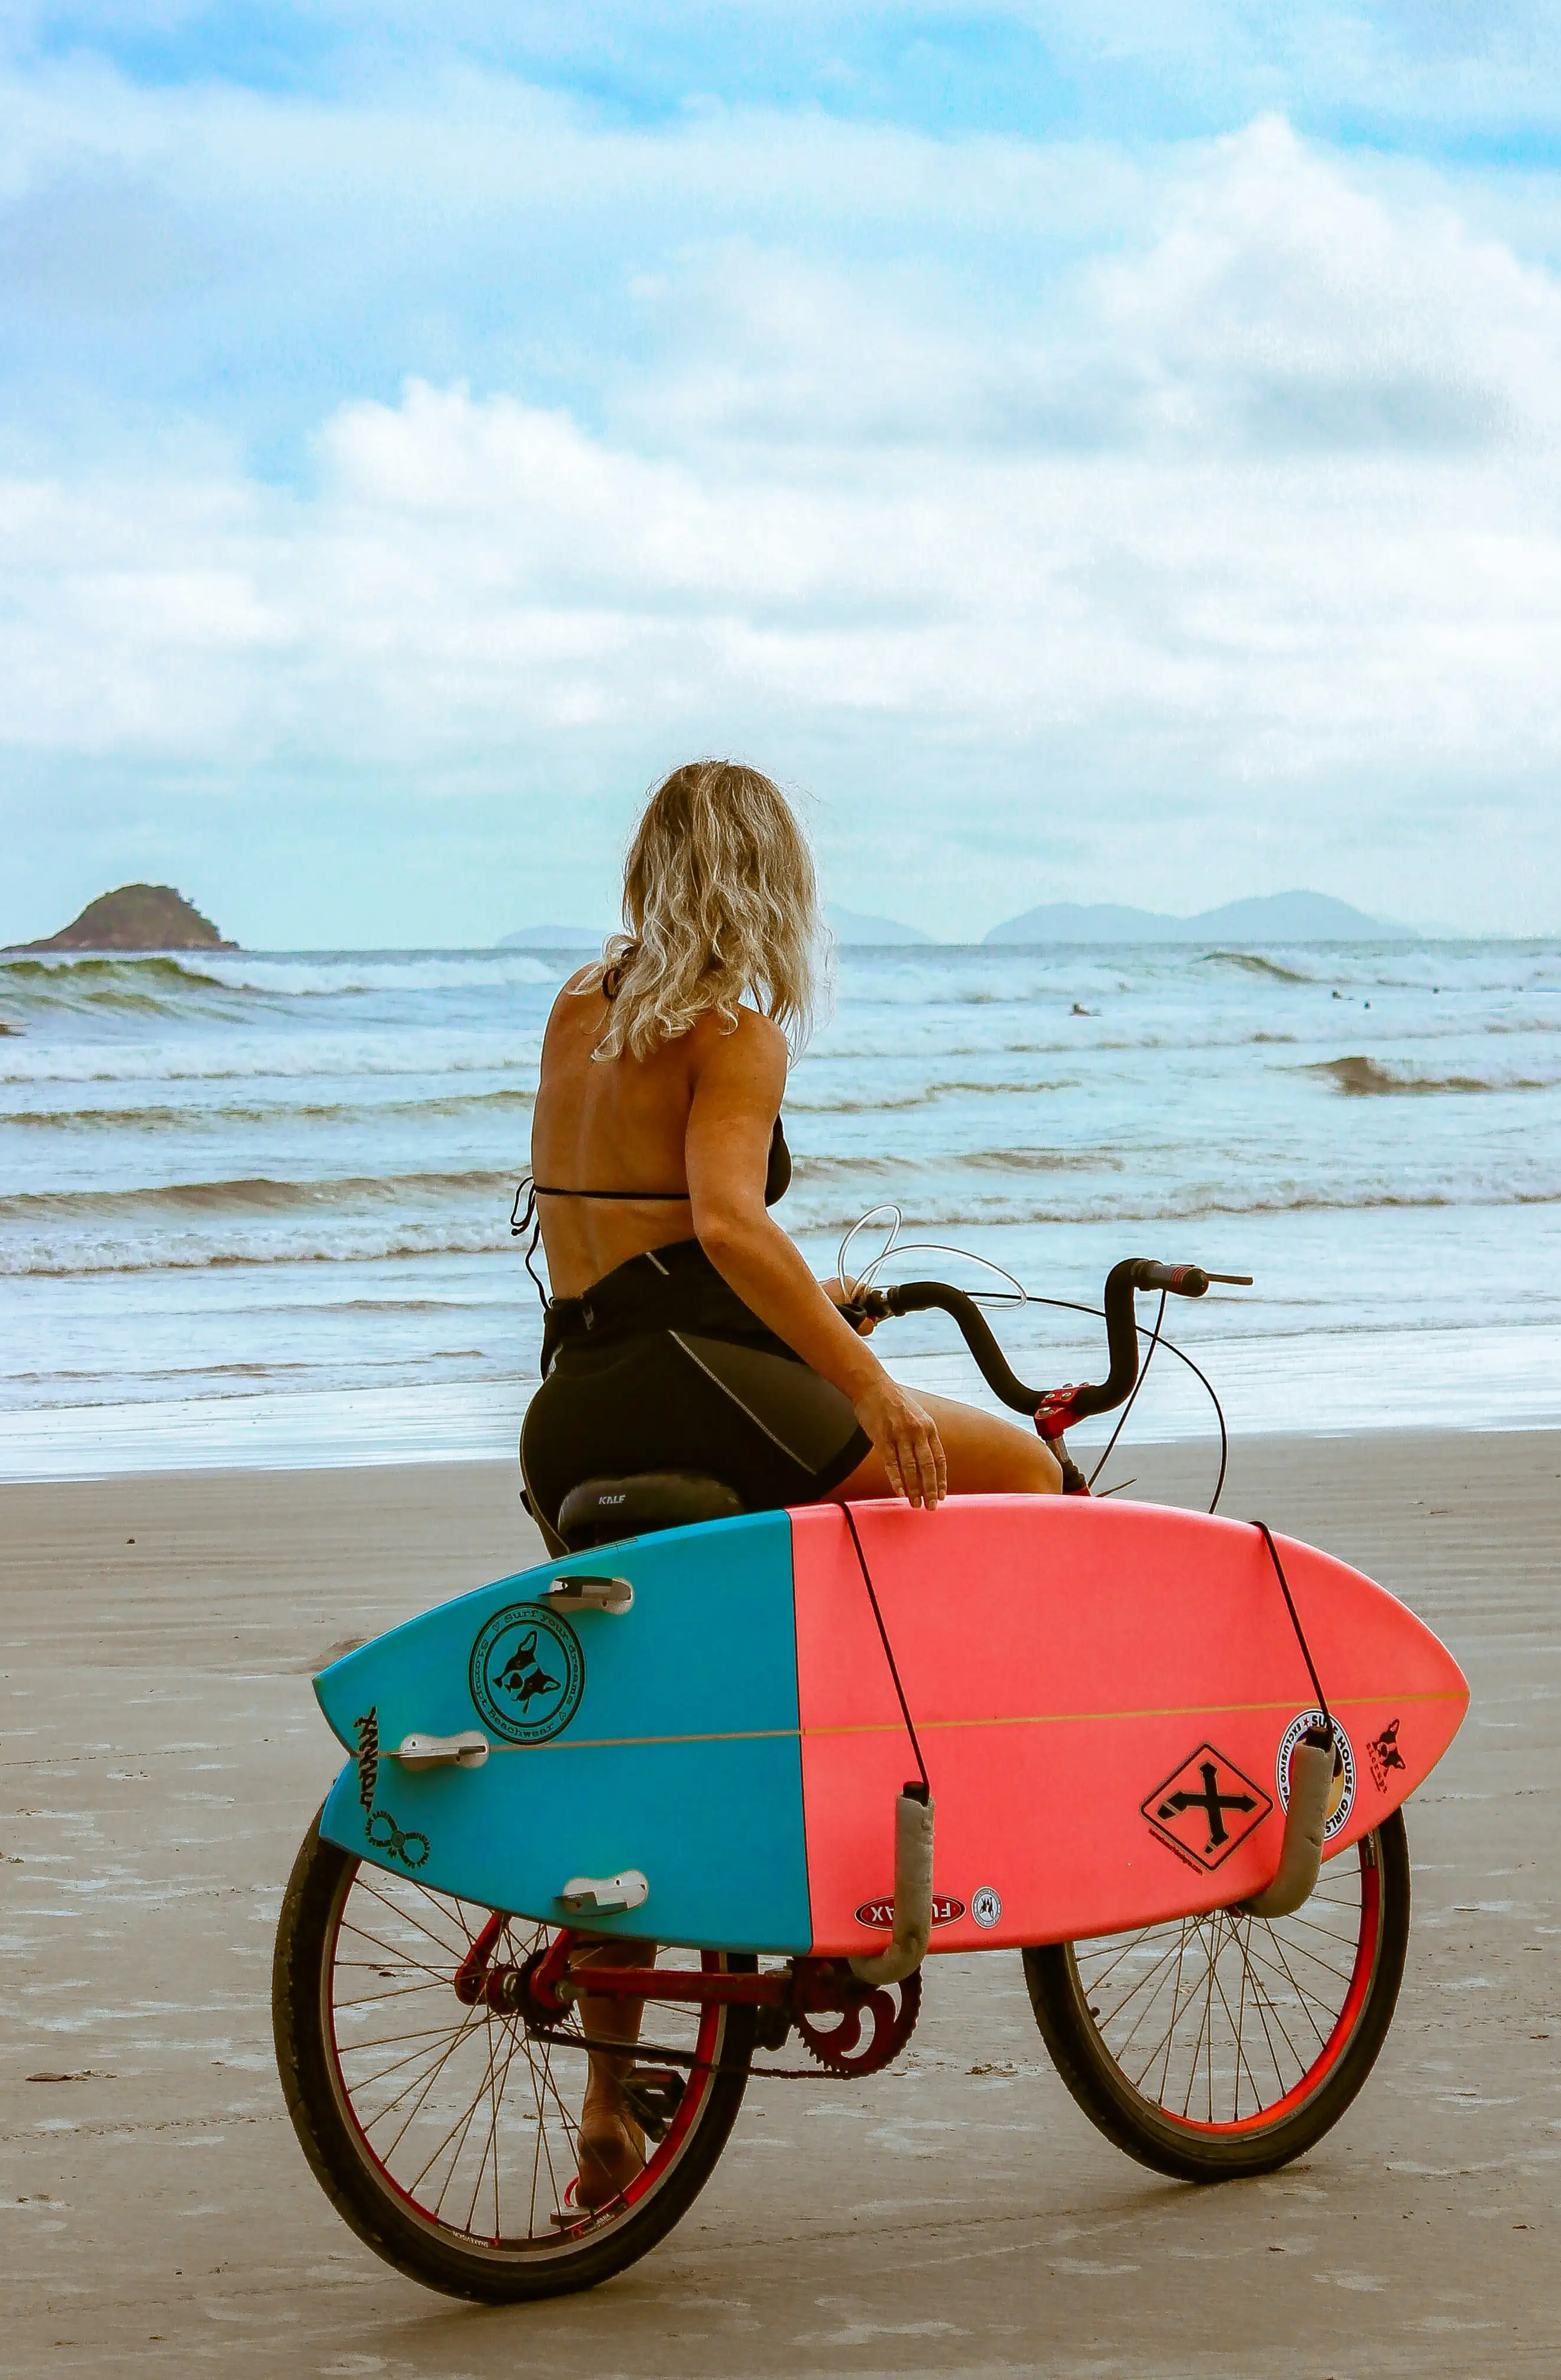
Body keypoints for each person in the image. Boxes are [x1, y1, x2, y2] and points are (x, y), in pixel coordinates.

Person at [516, 759, 1058, 2207]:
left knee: (647, 1742)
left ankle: (608, 2109)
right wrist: (869, 1382)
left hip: (568, 1410)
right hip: (682, 1386)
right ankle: (930, 1793)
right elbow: (723, 1226)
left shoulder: (577, 1009)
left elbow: (642, 1251)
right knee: (1021, 1467)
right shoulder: (734, 1031)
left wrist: (818, 1310)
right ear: (768, 882)